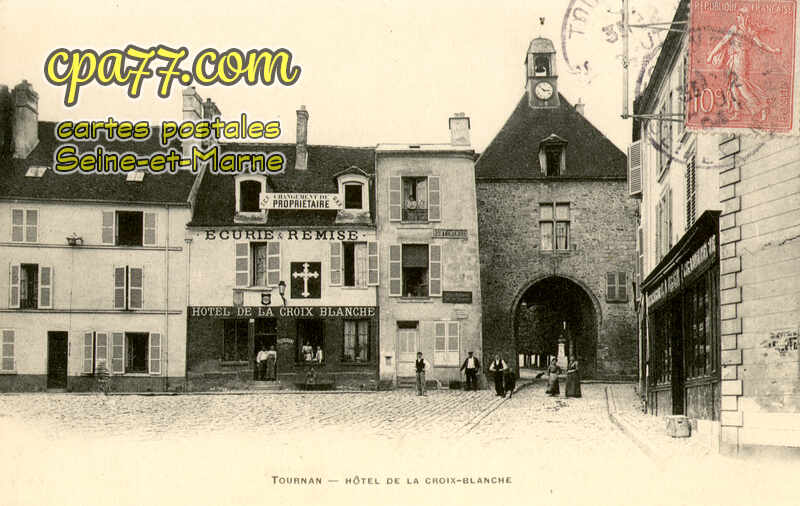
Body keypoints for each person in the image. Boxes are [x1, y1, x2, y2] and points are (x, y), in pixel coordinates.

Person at [706, 6, 782, 121]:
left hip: (740, 59)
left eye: (741, 15)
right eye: (739, 15)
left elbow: (760, 44)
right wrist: (712, 54)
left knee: (741, 86)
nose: (739, 17)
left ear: (744, 17)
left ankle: (761, 106)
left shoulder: (742, 30)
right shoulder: (744, 29)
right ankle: (737, 113)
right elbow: (724, 42)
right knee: (733, 87)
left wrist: (773, 50)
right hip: (734, 59)